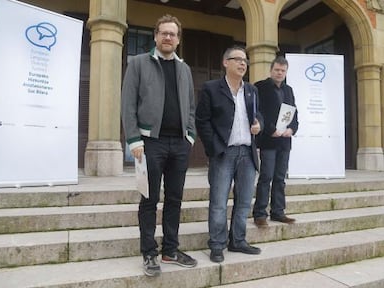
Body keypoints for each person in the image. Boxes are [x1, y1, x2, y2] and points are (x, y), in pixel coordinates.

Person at [121, 14, 197, 277]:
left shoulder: (184, 69)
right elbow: (128, 103)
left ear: (178, 39)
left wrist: (189, 136)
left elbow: (190, 107)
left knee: (175, 198)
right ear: (155, 36)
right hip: (149, 143)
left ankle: (170, 250)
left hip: (178, 144)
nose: (168, 37)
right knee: (149, 200)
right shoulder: (139, 63)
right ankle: (149, 252)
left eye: (172, 34)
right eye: (163, 33)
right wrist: (133, 139)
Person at [195, 46, 264, 263]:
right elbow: (202, 121)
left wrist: (259, 124)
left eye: (245, 60)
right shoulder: (211, 88)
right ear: (226, 62)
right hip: (224, 152)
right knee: (218, 201)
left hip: (248, 153)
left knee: (244, 201)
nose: (243, 63)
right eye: (238, 59)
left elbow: (258, 114)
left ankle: (238, 240)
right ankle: (217, 244)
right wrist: (214, 148)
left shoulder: (252, 90)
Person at [252, 56, 299, 228]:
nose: (279, 73)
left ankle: (278, 212)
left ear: (286, 72)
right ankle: (259, 214)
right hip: (268, 140)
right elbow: (258, 112)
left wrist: (292, 129)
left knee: (280, 178)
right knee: (266, 177)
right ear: (271, 70)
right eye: (277, 70)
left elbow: (294, 113)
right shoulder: (260, 87)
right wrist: (271, 129)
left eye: (283, 70)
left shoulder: (289, 90)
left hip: (284, 142)